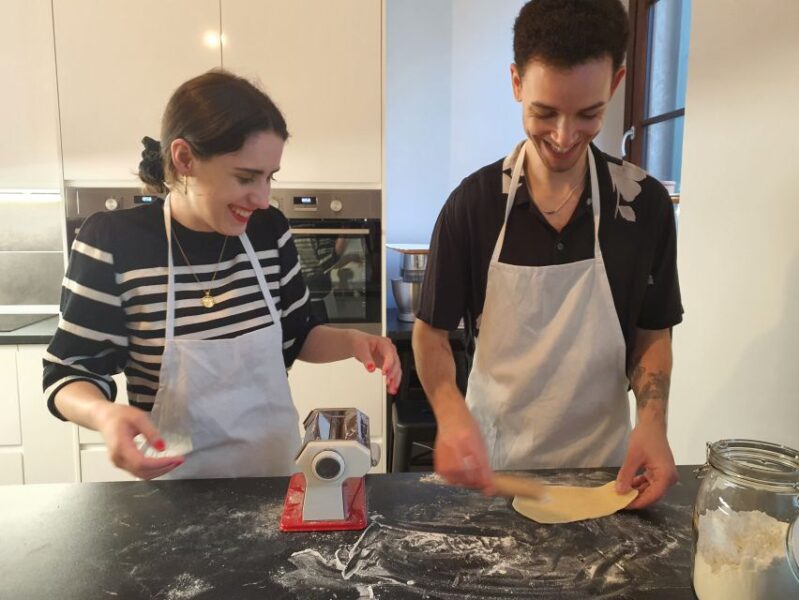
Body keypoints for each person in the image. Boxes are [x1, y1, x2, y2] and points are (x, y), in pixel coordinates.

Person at [43, 70, 401, 481]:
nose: (263, 198)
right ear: (184, 158)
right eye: (245, 177)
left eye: (270, 177)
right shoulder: (114, 242)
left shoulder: (269, 232)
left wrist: (358, 342)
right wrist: (104, 415)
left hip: (276, 481)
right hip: (172, 492)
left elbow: (298, 335)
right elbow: (69, 372)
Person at [412, 0, 682, 509]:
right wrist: (449, 414)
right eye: (543, 112)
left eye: (589, 114)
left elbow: (652, 332)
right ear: (516, 83)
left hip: (605, 474)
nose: (563, 136)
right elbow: (431, 334)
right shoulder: (473, 205)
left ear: (617, 82)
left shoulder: (642, 206)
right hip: (493, 470)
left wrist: (652, 423)